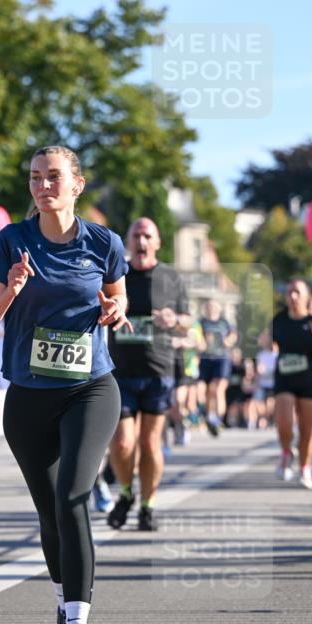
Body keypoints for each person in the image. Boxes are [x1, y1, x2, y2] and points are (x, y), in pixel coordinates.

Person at [0, 145, 130, 624]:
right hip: (29, 396)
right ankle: (64, 609)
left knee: (73, 498)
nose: (44, 185)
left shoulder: (103, 243)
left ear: (77, 185)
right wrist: (12, 291)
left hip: (90, 388)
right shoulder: (10, 243)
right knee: (50, 514)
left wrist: (115, 309)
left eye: (54, 177)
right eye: (36, 177)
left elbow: (118, 298)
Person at [107, 217, 191, 532]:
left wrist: (174, 319)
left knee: (150, 442)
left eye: (147, 236)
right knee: (123, 443)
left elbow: (187, 320)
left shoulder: (170, 276)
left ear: (157, 242)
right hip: (121, 370)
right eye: (136, 235)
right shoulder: (117, 273)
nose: (141, 241)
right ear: (128, 241)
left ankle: (148, 505)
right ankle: (127, 493)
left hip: (158, 370)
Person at [272, 278, 312, 489]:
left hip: (307, 380)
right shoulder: (279, 320)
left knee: (306, 429)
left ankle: (305, 468)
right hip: (284, 378)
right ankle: (286, 452)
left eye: (296, 292)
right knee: (284, 422)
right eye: (289, 293)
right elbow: (268, 343)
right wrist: (264, 340)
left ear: (306, 296)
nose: (292, 296)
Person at [198, 298, 237, 437]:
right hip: (206, 359)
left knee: (218, 389)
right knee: (208, 391)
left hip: (222, 359)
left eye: (214, 306)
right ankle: (210, 417)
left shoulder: (224, 322)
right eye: (209, 306)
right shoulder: (201, 323)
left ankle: (218, 420)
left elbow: (233, 335)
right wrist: (201, 342)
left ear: (219, 309)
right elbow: (197, 336)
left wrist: (228, 341)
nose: (211, 309)